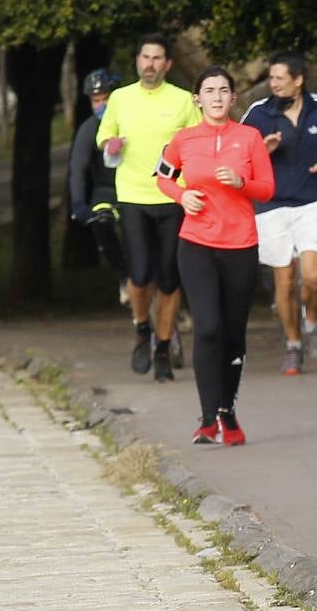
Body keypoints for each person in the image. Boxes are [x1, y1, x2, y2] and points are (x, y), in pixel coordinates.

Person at [157, 67, 274, 446]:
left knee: (231, 334)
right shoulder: (183, 140)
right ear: (198, 98)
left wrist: (243, 183)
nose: (217, 97)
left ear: (234, 98)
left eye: (224, 90)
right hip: (196, 244)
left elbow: (268, 189)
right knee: (207, 328)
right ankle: (208, 419)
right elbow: (162, 176)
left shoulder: (250, 138)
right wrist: (181, 195)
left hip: (240, 245)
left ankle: (228, 411)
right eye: (209, 91)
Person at [96, 34, 200, 382]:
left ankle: (163, 347)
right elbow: (104, 135)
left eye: (158, 58)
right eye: (145, 57)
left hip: (173, 197)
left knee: (170, 278)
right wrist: (109, 142)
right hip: (134, 195)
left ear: (167, 64)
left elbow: (198, 144)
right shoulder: (121, 99)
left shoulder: (185, 101)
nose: (150, 63)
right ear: (137, 61)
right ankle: (142, 327)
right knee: (140, 274)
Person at [241, 52, 317, 374]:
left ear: (298, 79)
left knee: (313, 277)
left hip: (311, 202)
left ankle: (312, 323)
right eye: (270, 78)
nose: (272, 84)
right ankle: (292, 344)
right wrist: (262, 151)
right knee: (284, 282)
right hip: (271, 207)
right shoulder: (258, 114)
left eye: (278, 78)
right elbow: (240, 156)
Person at [69, 68, 129, 307]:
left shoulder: (132, 121)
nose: (102, 104)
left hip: (137, 190)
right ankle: (124, 275)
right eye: (96, 100)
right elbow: (78, 167)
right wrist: (77, 203)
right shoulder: (87, 129)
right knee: (102, 225)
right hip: (105, 192)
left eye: (106, 98)